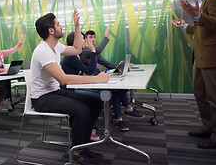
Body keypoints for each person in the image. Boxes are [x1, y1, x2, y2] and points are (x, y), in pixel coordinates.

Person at [31, 10, 109, 165]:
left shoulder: (56, 46)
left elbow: (77, 49)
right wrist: (95, 79)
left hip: (55, 92)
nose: (61, 26)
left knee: (95, 103)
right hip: (41, 98)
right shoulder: (43, 51)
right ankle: (77, 151)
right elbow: (63, 78)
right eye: (58, 24)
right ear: (51, 31)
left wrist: (77, 25)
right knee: (82, 110)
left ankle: (83, 146)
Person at [171, 0, 216, 149]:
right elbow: (202, 29)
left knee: (215, 98)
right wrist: (185, 25)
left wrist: (197, 15)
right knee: (200, 95)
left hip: (212, 58)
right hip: (201, 57)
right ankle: (209, 126)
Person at [83, 29, 145, 132]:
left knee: (117, 89)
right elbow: (97, 50)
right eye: (90, 37)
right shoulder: (85, 50)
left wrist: (122, 65)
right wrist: (106, 37)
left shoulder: (95, 53)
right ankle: (123, 114)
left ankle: (124, 113)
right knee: (115, 90)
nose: (93, 39)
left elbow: (107, 64)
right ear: (85, 39)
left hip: (98, 78)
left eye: (94, 37)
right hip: (90, 81)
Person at [61, 32, 101, 141]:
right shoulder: (70, 57)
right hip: (69, 90)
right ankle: (87, 128)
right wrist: (93, 50)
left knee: (98, 96)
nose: (84, 40)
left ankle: (89, 126)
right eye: (82, 38)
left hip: (76, 86)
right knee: (96, 98)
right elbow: (90, 70)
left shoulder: (79, 55)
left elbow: (93, 69)